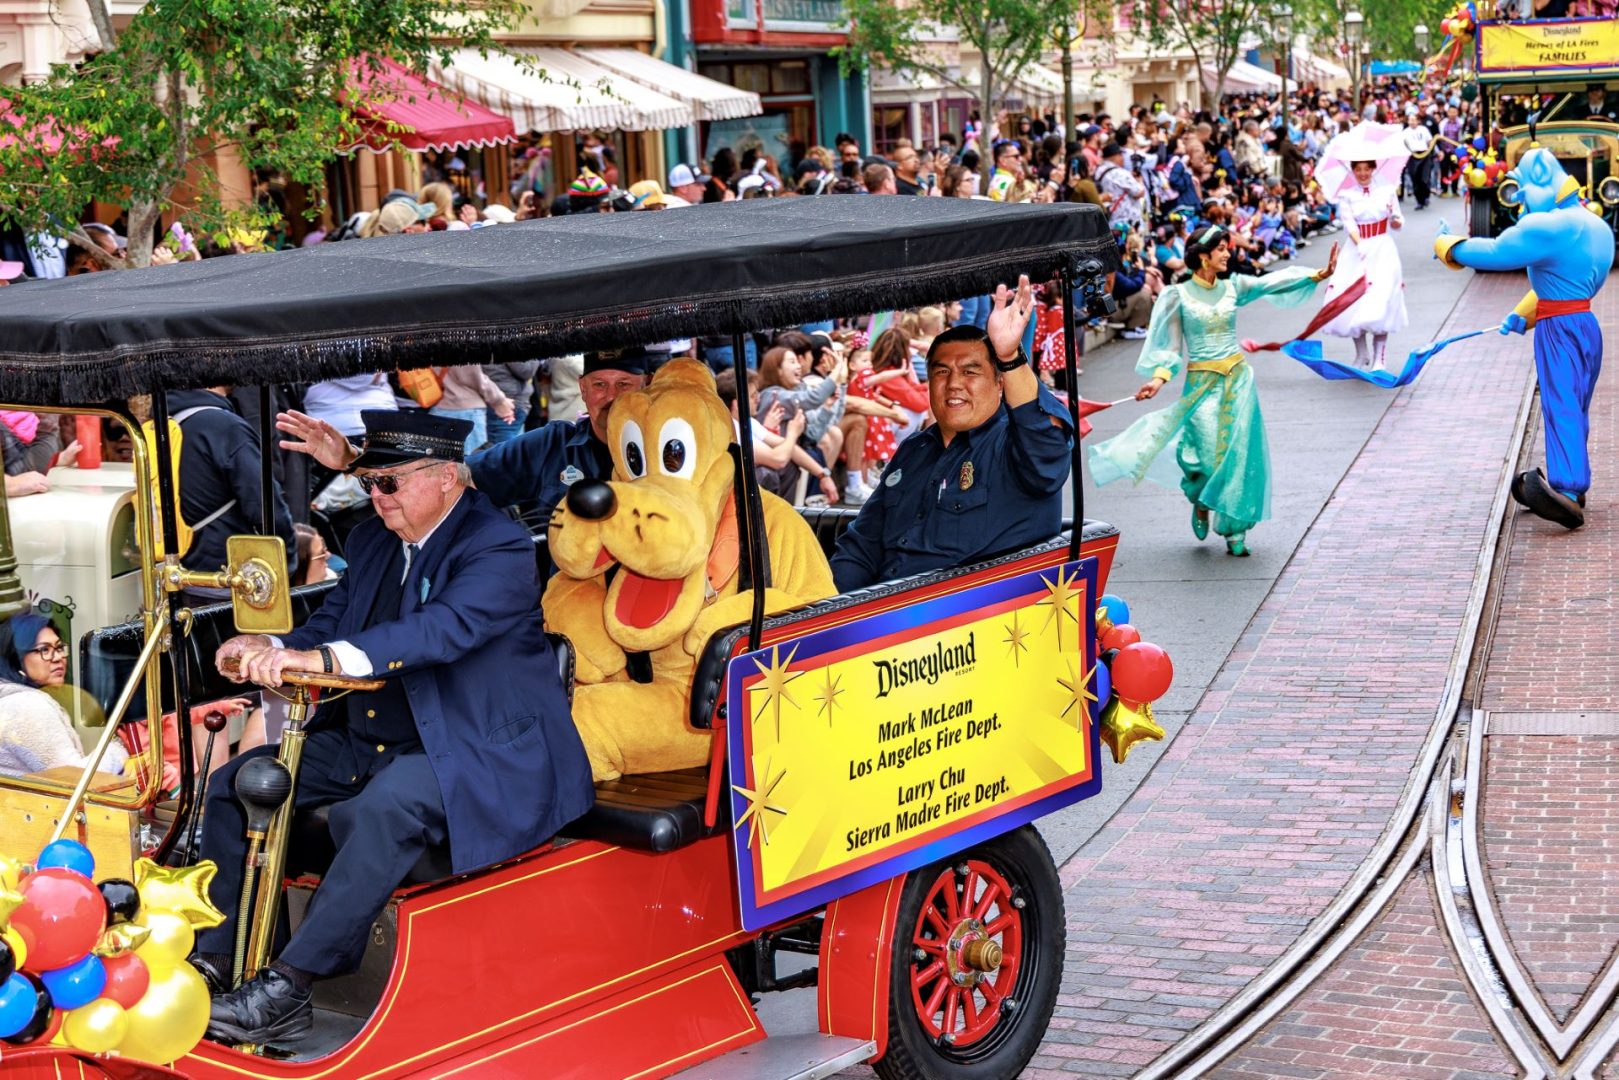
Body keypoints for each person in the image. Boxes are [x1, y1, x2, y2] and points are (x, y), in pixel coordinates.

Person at [197, 410, 594, 1045]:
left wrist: (321, 662)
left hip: (474, 747)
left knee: (383, 810)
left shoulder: (497, 544)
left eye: (390, 483)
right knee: (237, 782)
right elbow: (335, 621)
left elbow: (441, 628)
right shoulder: (376, 541)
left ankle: (290, 987)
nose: (376, 497)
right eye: (369, 483)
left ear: (447, 479)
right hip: (372, 740)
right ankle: (216, 959)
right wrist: (268, 643)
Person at [1090, 227, 1338, 557]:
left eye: (1228, 248)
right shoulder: (1177, 296)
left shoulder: (1234, 286)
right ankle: (1201, 501)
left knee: (1238, 459)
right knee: (1203, 458)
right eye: (1221, 249)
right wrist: (1158, 379)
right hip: (1202, 386)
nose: (1227, 254)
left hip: (1238, 382)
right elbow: (1171, 348)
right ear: (1203, 255)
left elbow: (1270, 283)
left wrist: (1318, 274)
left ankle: (1235, 532)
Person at [277, 349, 649, 560]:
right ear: (583, 389)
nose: (611, 396)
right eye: (600, 384)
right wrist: (355, 459)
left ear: (645, 388)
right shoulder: (554, 444)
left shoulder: (668, 449)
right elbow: (453, 478)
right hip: (576, 613)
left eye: (624, 385)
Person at [829, 279, 1073, 591]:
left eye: (971, 372)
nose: (954, 383)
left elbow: (1045, 448)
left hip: (975, 622)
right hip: (880, 619)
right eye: (942, 372)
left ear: (1000, 384)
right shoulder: (913, 450)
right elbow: (862, 545)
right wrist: (827, 610)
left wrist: (1010, 358)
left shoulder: (1014, 444)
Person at [166, 385, 299, 598]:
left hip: (177, 578)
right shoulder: (224, 426)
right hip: (231, 583)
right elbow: (266, 507)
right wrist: (290, 561)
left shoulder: (161, 423)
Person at [1320, 159, 1407, 369]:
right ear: (1353, 171)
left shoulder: (1387, 191)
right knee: (1352, 302)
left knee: (1381, 300)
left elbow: (1397, 223)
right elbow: (1348, 224)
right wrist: (1361, 245)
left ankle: (1380, 358)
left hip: (1383, 250)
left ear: (1373, 169)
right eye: (1358, 169)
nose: (1362, 173)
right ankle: (1361, 353)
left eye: (1366, 169)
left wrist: (1394, 218)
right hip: (1356, 251)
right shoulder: (1347, 196)